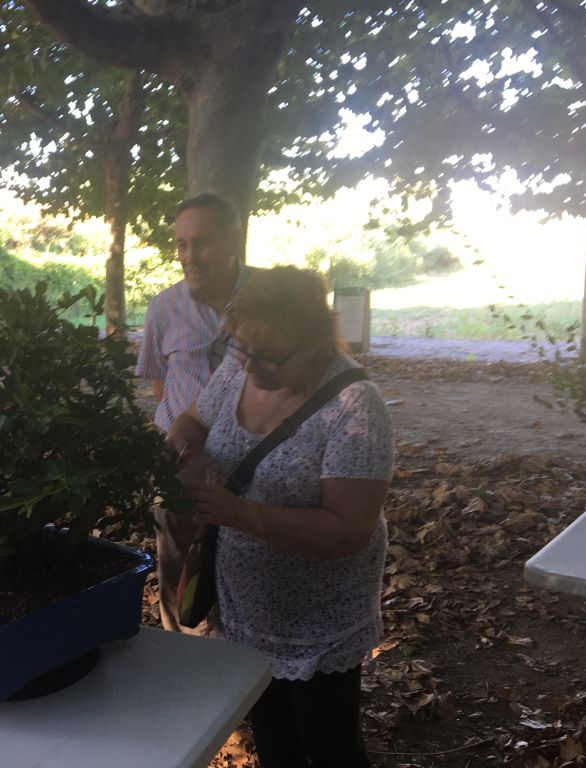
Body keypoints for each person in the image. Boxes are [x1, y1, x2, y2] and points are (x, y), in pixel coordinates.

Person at [166, 266, 393, 768]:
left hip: (319, 622)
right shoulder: (238, 370)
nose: (251, 365)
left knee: (331, 748)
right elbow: (194, 420)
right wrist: (180, 443)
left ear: (315, 342)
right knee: (274, 739)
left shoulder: (356, 406)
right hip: (246, 610)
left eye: (268, 355)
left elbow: (349, 531)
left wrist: (241, 514)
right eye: (241, 347)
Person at [135, 192, 257, 633]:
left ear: (234, 241)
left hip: (254, 461)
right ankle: (182, 652)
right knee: (178, 571)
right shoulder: (163, 307)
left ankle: (242, 654)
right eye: (181, 245)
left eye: (202, 242)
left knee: (247, 562)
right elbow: (159, 385)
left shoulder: (270, 300)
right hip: (183, 461)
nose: (189, 256)